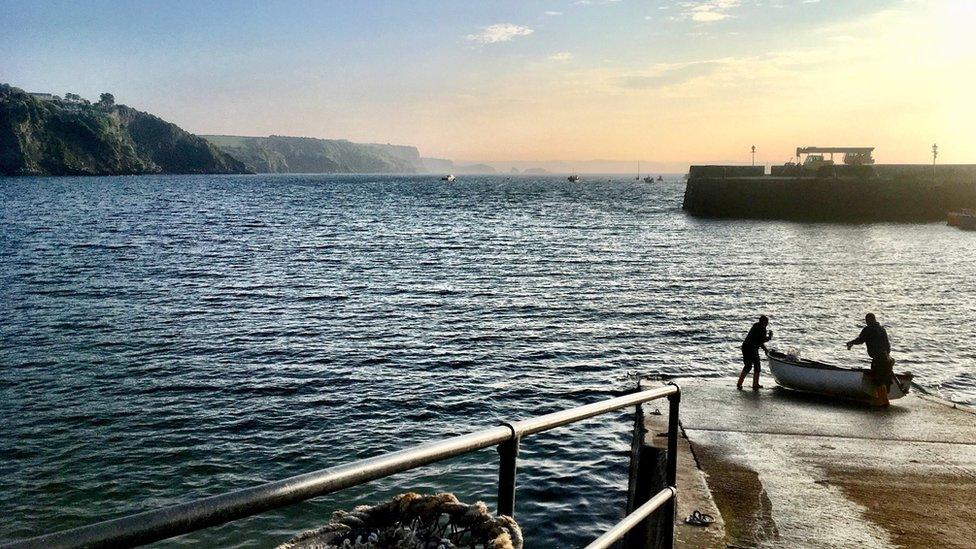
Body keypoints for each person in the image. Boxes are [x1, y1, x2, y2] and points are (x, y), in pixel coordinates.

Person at [847, 313, 894, 407]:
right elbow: (888, 345)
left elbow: (860, 340)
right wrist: (887, 356)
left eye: (866, 320)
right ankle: (885, 401)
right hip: (887, 358)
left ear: (868, 320)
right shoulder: (882, 329)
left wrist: (851, 343)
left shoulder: (868, 329)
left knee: (878, 380)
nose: (866, 322)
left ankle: (881, 401)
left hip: (879, 358)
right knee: (883, 379)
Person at [738, 315, 772, 390]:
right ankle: (755, 384)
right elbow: (761, 340)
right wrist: (769, 337)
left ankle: (739, 383)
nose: (767, 324)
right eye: (767, 323)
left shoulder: (755, 326)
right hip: (752, 348)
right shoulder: (762, 329)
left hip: (745, 346)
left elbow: (758, 340)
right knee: (757, 366)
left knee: (748, 366)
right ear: (765, 322)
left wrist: (765, 349)